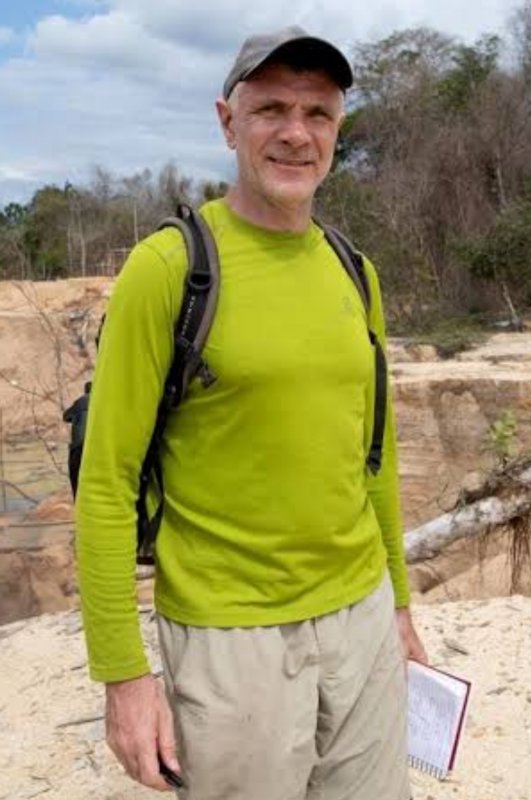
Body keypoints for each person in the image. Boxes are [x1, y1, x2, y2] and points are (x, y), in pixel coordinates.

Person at [74, 27, 427, 799]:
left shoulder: (354, 272)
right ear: (228, 122)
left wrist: (397, 606)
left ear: (338, 130)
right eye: (270, 108)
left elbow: (376, 456)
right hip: (230, 637)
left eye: (318, 113)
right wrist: (124, 679)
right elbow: (106, 483)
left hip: (361, 619)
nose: (296, 133)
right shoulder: (169, 269)